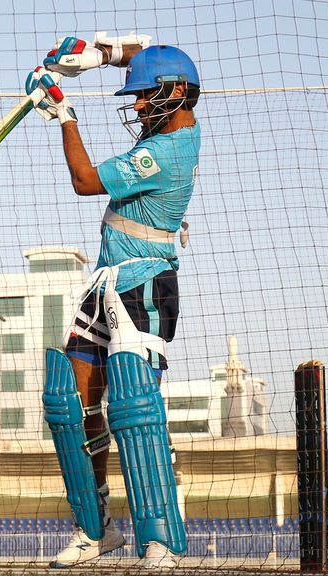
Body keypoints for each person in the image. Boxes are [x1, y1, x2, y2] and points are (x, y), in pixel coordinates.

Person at [28, 34, 202, 569]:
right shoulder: (169, 118)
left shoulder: (163, 154)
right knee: (69, 403)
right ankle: (96, 530)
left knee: (133, 406)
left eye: (146, 97)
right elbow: (153, 53)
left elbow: (84, 181)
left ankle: (161, 540)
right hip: (106, 279)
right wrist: (101, 56)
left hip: (145, 282)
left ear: (175, 94)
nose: (138, 105)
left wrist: (63, 113)